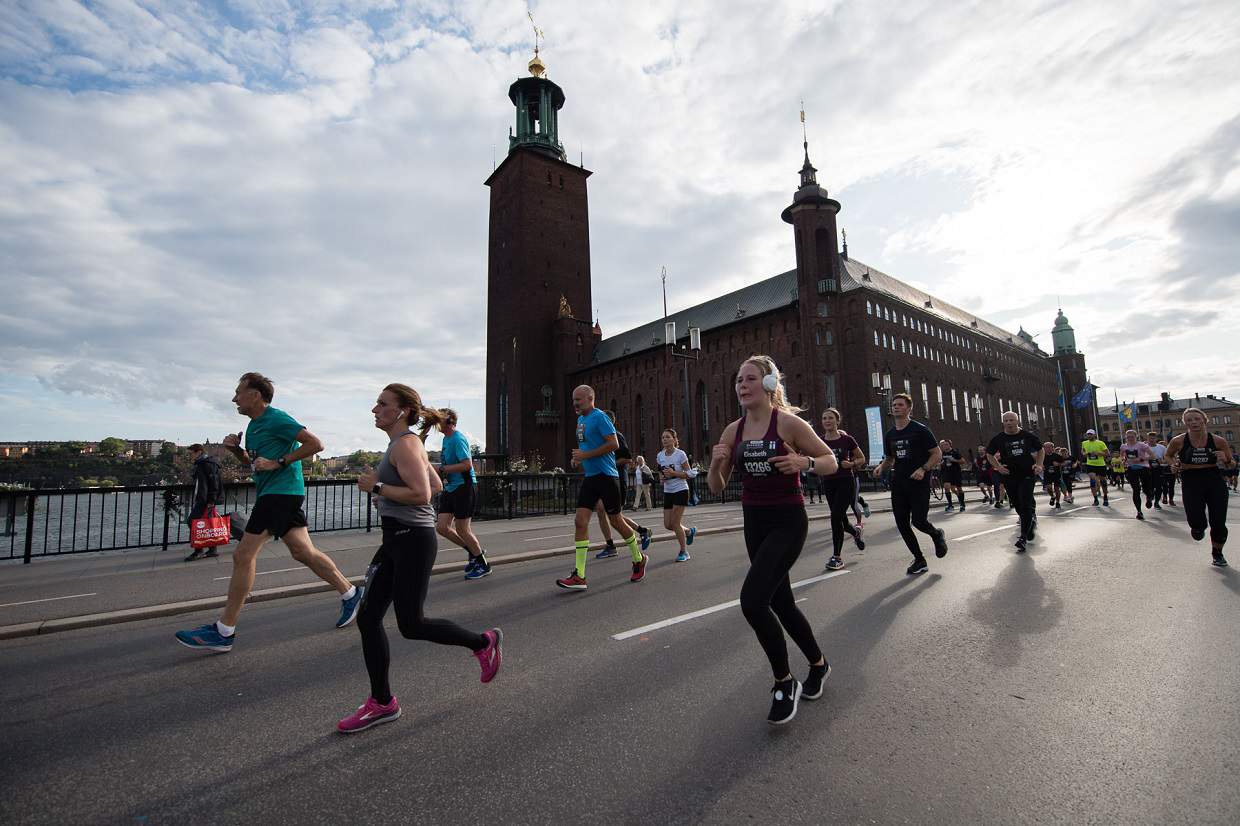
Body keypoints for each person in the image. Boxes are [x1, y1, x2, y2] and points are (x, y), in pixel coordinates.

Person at [338, 384, 502, 733]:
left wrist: (378, 488)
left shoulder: (406, 444)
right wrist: (387, 496)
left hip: (412, 540)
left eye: (382, 404)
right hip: (397, 538)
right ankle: (382, 702)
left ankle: (483, 642)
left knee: (411, 624)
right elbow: (438, 488)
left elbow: (422, 493)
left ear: (401, 411)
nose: (374, 409)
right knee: (368, 619)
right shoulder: (406, 445)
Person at [175, 373, 363, 653]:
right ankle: (351, 593)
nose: (234, 398)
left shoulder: (277, 418)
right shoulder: (253, 427)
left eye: (239, 392)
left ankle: (224, 631)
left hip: (281, 492)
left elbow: (315, 445)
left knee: (243, 555)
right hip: (275, 492)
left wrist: (280, 462)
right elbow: (255, 464)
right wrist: (236, 451)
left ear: (256, 395)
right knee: (302, 552)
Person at [707, 354, 837, 725]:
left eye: (750, 379)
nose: (742, 386)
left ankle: (784, 681)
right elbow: (716, 487)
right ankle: (819, 663)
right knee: (782, 603)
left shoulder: (789, 425)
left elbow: (829, 459)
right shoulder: (733, 431)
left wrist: (805, 464)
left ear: (768, 385)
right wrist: (716, 463)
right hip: (755, 522)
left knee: (752, 601)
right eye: (738, 381)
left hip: (787, 520)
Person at [557, 388, 647, 590]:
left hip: (607, 477)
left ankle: (638, 558)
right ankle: (580, 575)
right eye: (573, 400)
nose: (575, 403)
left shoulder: (600, 418)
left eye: (578, 400)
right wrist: (576, 458)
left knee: (616, 521)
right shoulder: (580, 421)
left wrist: (586, 456)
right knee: (580, 522)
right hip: (591, 478)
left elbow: (613, 444)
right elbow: (587, 448)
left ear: (590, 399)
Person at [871, 393, 949, 574]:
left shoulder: (920, 430)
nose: (896, 407)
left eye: (900, 405)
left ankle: (936, 534)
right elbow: (890, 458)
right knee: (902, 523)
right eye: (894, 405)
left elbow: (937, 454)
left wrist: (923, 469)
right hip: (899, 482)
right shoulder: (890, 434)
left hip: (919, 482)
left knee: (919, 521)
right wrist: (881, 468)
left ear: (909, 408)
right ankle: (920, 560)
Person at [1166, 408, 1234, 567]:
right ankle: (1198, 527)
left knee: (1218, 521)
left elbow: (1231, 464)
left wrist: (1225, 459)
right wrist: (1173, 465)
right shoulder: (1178, 441)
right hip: (1191, 480)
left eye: (1197, 419)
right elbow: (1168, 455)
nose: (1194, 422)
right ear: (1185, 423)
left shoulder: (1218, 441)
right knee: (1196, 523)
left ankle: (1217, 553)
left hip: (1214, 479)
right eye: (1189, 420)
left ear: (1204, 420)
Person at [434, 409, 490, 580]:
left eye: (439, 419)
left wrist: (443, 469)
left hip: (464, 487)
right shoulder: (446, 439)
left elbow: (467, 465)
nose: (436, 423)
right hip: (451, 487)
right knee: (442, 527)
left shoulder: (458, 439)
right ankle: (474, 552)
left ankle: (483, 564)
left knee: (462, 529)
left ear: (449, 421)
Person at [595, 411, 651, 559]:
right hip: (604, 481)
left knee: (613, 516)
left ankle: (633, 537)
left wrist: (609, 464)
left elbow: (627, 458)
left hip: (618, 481)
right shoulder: (601, 439)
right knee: (604, 511)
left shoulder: (617, 436)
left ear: (610, 422)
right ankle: (614, 543)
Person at [987, 411, 1045, 552]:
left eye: (1011, 420)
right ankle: (1029, 524)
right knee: (1018, 505)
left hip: (1026, 474)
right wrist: (998, 467)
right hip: (1009, 475)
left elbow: (1040, 449)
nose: (1008, 423)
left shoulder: (1027, 436)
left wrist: (1038, 464)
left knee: (1025, 503)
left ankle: (1023, 537)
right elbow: (989, 454)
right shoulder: (998, 439)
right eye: (1006, 420)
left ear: (1017, 421)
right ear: (1003, 422)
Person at [820, 408, 866, 570]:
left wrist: (852, 464)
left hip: (846, 481)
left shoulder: (847, 440)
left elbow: (861, 458)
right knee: (842, 522)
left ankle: (836, 557)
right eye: (824, 418)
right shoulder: (820, 441)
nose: (827, 421)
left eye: (830, 418)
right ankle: (855, 533)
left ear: (837, 421)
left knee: (835, 517)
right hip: (829, 482)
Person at [657, 428, 697, 561]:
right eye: (663, 437)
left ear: (674, 439)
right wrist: (662, 478)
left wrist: (674, 474)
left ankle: (684, 552)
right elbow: (660, 472)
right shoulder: (660, 455)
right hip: (668, 491)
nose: (665, 440)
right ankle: (689, 531)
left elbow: (690, 474)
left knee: (675, 523)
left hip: (681, 490)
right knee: (668, 525)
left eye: (668, 437)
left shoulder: (680, 454)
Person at [183, 443, 224, 562]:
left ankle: (199, 551)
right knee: (207, 522)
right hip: (204, 499)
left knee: (193, 522)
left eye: (191, 453)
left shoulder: (207, 464)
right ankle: (212, 549)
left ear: (198, 452)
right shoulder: (203, 463)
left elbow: (214, 484)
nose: (189, 456)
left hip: (205, 500)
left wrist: (211, 501)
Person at [1117, 429, 1155, 520]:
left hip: (1143, 468)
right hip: (1131, 469)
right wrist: (1123, 461)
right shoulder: (1123, 446)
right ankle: (1139, 512)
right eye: (1128, 437)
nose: (1130, 438)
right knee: (1136, 489)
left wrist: (1141, 459)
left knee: (1146, 488)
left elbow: (1153, 456)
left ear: (1136, 437)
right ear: (1125, 437)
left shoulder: (1142, 445)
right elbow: (1121, 456)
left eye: (1132, 437)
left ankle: (1149, 498)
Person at [1080, 428, 1111, 506]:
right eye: (1088, 434)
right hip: (1090, 464)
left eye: (1091, 434)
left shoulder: (1100, 443)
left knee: (1103, 481)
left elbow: (1107, 454)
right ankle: (1095, 499)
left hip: (1100, 465)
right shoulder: (1084, 443)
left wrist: (1098, 453)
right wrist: (1085, 454)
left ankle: (1105, 497)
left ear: (1094, 435)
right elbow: (1083, 451)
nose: (1089, 436)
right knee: (1092, 480)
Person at [939, 438, 966, 512]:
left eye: (946, 444)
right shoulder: (942, 453)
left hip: (956, 473)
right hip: (946, 473)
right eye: (943, 445)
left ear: (950, 445)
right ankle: (950, 505)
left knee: (958, 489)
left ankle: (962, 504)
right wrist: (941, 464)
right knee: (946, 487)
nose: (945, 446)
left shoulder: (955, 452)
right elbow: (940, 462)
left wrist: (954, 460)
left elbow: (963, 461)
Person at [1043, 442, 1067, 509]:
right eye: (1046, 447)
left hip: (1056, 474)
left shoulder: (1057, 456)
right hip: (1047, 474)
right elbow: (1039, 463)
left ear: (1053, 448)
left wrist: (1058, 464)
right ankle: (1053, 496)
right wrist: (1041, 466)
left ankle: (1057, 502)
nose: (1048, 449)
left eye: (1049, 447)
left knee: (1057, 489)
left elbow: (1064, 463)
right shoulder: (1043, 456)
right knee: (1049, 488)